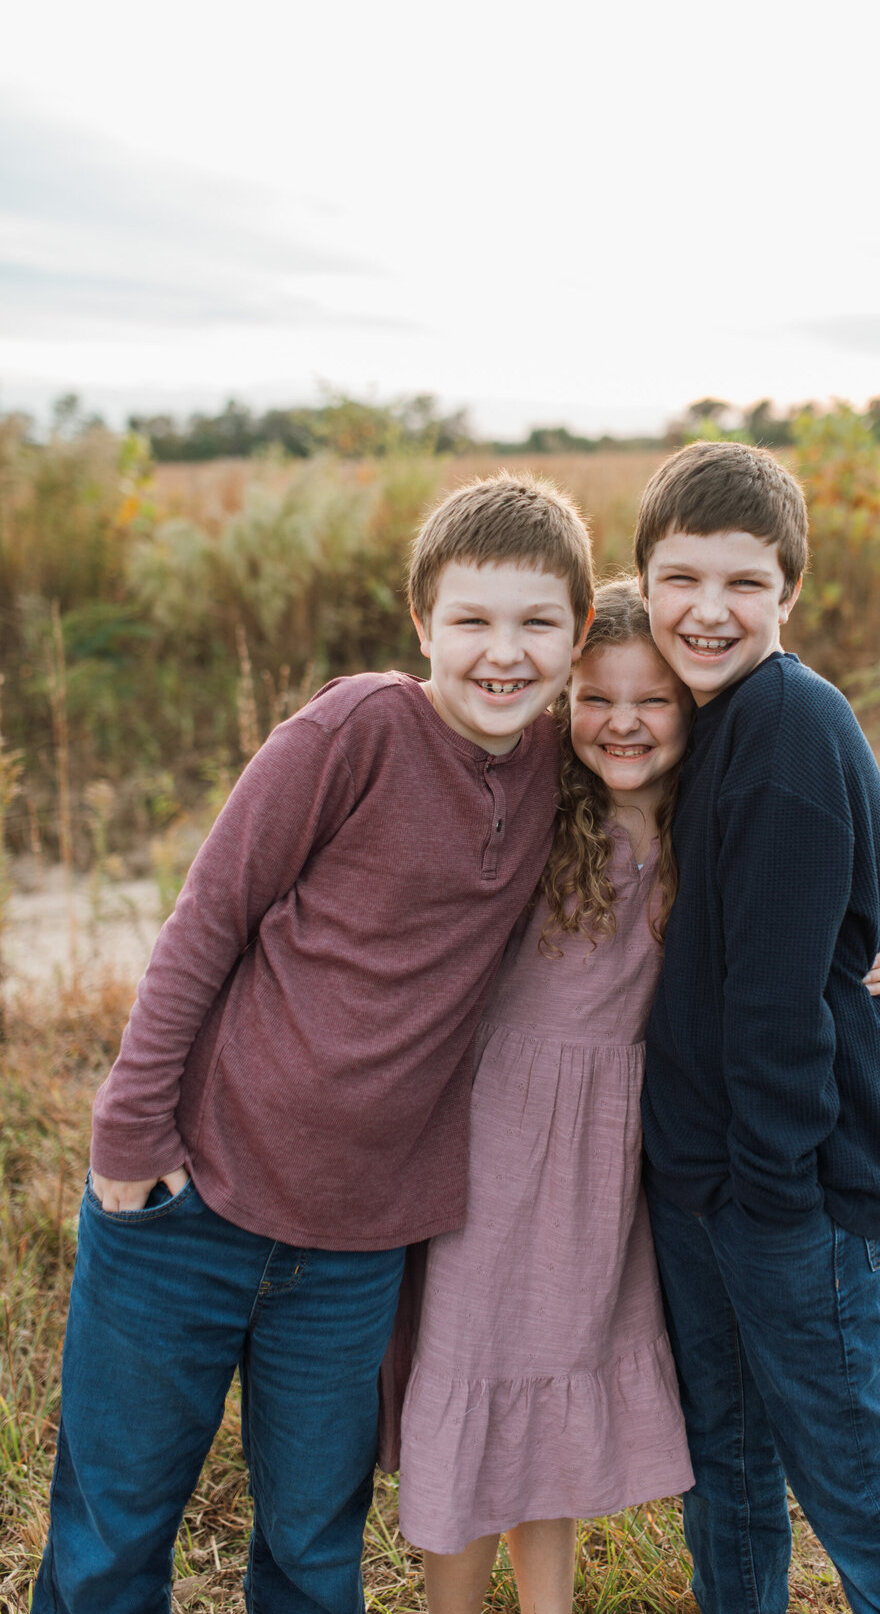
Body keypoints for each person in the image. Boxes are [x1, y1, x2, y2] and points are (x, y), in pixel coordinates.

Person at [34, 472, 594, 1614]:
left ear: (577, 635)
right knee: (112, 1533)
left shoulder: (562, 768)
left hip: (356, 1244)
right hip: (191, 1202)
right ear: (420, 622)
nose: (504, 652)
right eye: (472, 620)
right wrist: (128, 1140)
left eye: (537, 623)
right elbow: (207, 924)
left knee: (310, 1549)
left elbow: (698, 819)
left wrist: (870, 943)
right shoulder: (352, 731)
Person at [388, 579, 880, 1614]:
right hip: (498, 1152)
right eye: (596, 698)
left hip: (618, 1155)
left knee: (551, 1390)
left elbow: (796, 924)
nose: (623, 723)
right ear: (564, 702)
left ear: (693, 710)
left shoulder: (708, 826)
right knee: (478, 1377)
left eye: (654, 701)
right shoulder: (534, 812)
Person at [634, 442, 880, 1614]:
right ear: (642, 581)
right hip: (703, 1183)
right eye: (682, 580)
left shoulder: (784, 725)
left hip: (787, 1200)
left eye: (744, 585)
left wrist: (771, 1202)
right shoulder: (705, 717)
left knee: (856, 1485)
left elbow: (777, 1017)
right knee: (725, 1467)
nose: (709, 611)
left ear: (790, 594)